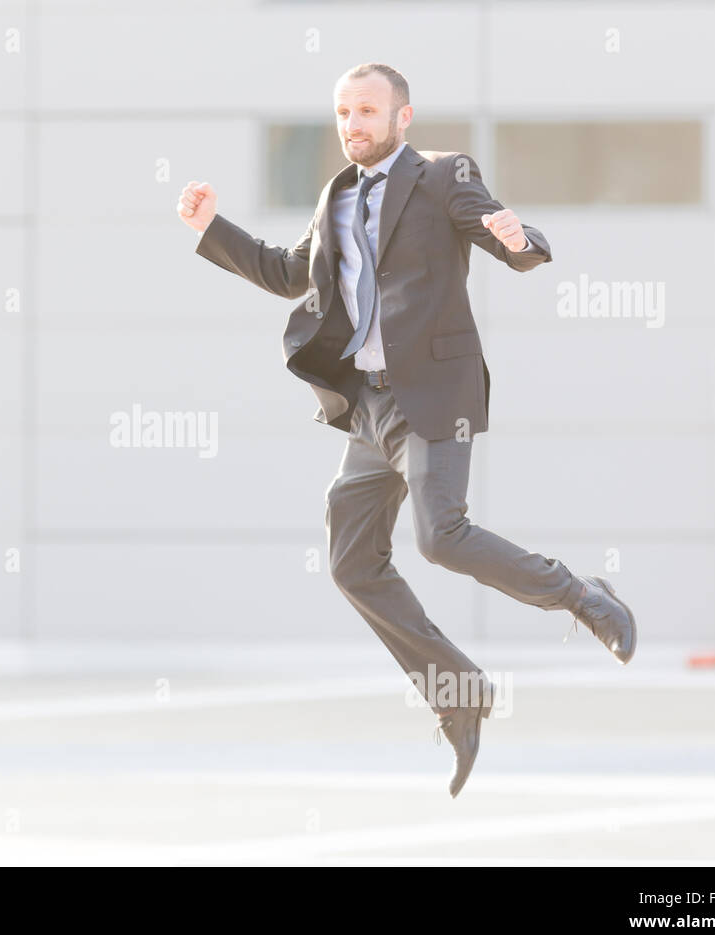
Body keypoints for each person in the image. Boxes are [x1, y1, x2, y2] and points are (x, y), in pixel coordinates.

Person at [177, 62, 636, 798]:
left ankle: (583, 597)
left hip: (432, 396)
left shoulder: (442, 175)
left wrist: (521, 240)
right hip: (368, 407)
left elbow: (503, 235)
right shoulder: (334, 195)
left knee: (439, 535)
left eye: (368, 111)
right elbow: (289, 272)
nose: (354, 125)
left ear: (403, 118)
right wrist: (211, 229)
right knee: (352, 563)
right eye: (343, 113)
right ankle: (458, 693)